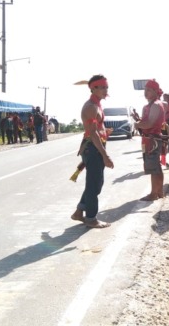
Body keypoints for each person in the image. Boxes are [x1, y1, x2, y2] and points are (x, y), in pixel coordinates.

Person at [70, 74, 114, 228]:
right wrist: (105, 156)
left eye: (106, 87)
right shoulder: (91, 107)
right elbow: (93, 133)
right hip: (92, 148)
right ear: (93, 88)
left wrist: (105, 131)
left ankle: (79, 212)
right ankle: (91, 218)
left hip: (95, 146)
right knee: (94, 184)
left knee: (95, 184)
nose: (105, 90)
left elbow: (97, 129)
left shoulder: (97, 105)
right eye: (102, 87)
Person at [135, 79, 166, 201]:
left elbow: (149, 123)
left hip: (153, 140)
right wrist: (140, 123)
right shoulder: (148, 106)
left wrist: (138, 124)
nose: (146, 92)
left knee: (154, 168)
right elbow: (145, 123)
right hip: (148, 139)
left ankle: (154, 193)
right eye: (145, 90)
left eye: (149, 90)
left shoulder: (156, 105)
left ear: (155, 91)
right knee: (155, 166)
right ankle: (159, 191)